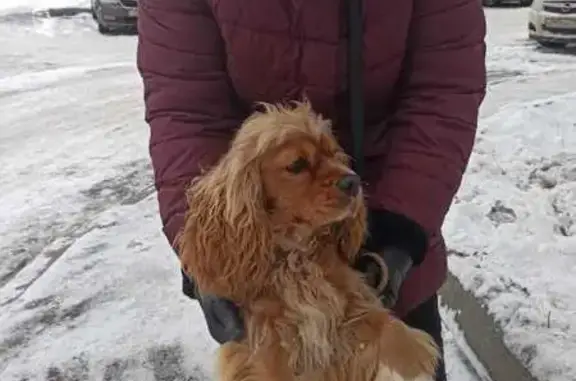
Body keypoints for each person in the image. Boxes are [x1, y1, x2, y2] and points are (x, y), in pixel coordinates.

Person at [136, 0, 486, 380]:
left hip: (389, 245)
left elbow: (442, 95)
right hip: (261, 280)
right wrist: (206, 254)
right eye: (300, 165)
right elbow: (187, 115)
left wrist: (399, 228)